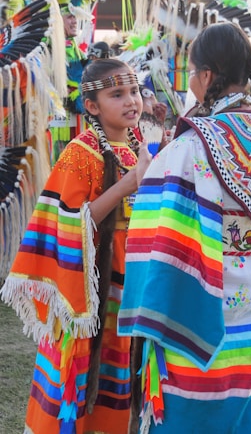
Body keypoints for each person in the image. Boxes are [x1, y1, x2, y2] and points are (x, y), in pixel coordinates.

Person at [117, 22, 251, 433]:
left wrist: (145, 181)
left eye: (193, 72)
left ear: (208, 76)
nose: (192, 81)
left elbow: (159, 232)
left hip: (194, 325)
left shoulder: (190, 146)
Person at [1, 58, 152, 433]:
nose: (131, 100)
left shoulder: (138, 150)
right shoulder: (79, 154)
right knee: (82, 380)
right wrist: (130, 183)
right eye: (117, 94)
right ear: (92, 106)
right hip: (88, 291)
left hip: (128, 283)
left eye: (133, 91)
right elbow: (67, 222)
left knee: (121, 377)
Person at [49, 2, 88, 165]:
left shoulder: (75, 48)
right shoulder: (47, 47)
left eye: (75, 17)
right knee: (58, 162)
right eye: (70, 17)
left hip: (77, 118)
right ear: (57, 20)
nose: (74, 21)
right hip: (56, 121)